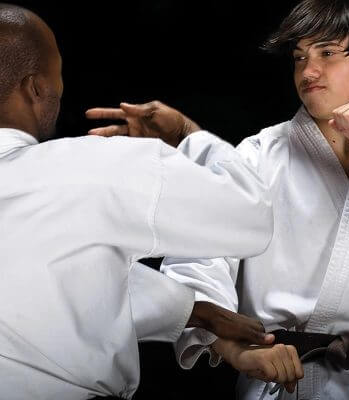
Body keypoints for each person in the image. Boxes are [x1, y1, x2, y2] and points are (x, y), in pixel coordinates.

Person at [0, 3, 304, 400]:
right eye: (58, 77)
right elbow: (248, 216)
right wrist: (186, 135)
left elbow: (41, 270)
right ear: (36, 87)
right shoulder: (92, 164)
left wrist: (191, 309)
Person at [104, 0, 349, 399]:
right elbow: (198, 265)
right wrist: (237, 351)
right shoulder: (257, 156)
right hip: (283, 379)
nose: (308, 71)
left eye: (327, 53)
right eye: (299, 58)